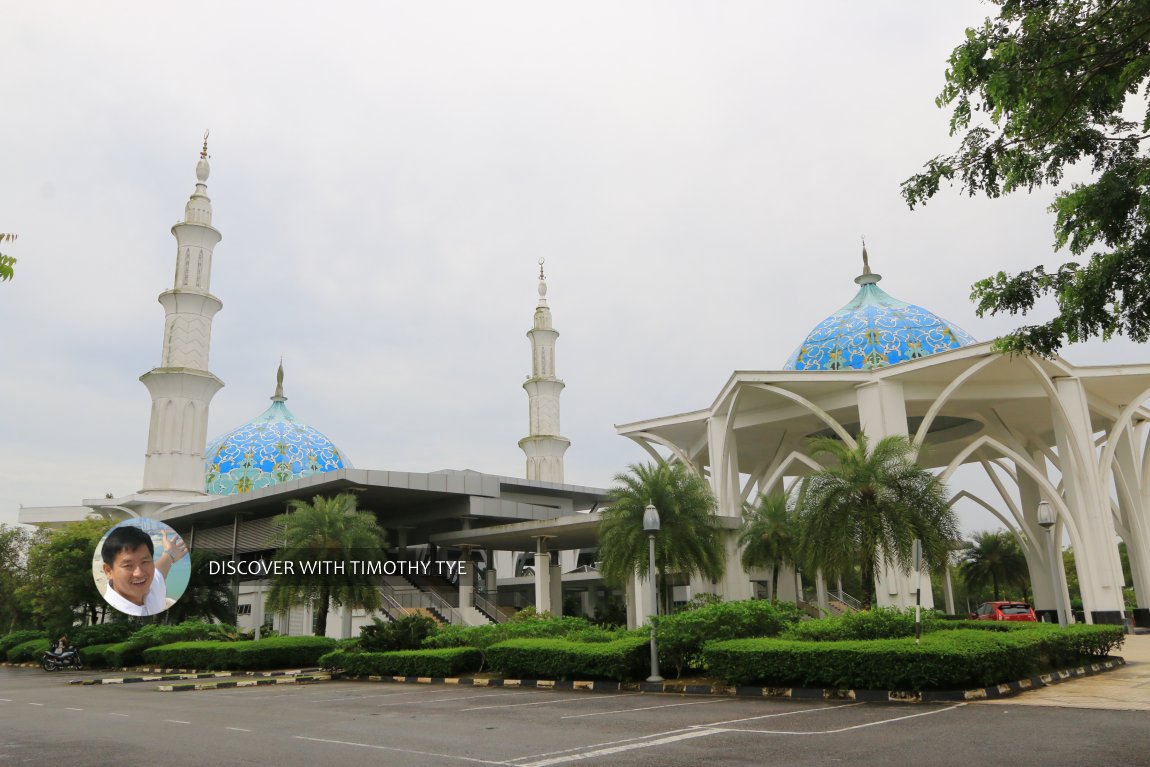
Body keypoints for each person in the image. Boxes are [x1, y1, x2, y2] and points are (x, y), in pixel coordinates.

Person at [100, 525, 187, 616]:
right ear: (108, 571)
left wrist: (170, 553)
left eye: (144, 562)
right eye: (128, 565)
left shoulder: (152, 584)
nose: (139, 573)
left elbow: (160, 569)